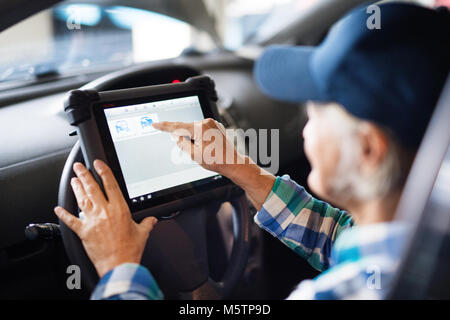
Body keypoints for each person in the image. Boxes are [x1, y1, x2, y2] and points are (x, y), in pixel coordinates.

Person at [54, 2, 450, 300]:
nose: (306, 131)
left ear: (368, 150)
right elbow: (339, 236)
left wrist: (119, 266)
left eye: (314, 114)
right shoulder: (420, 244)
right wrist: (244, 172)